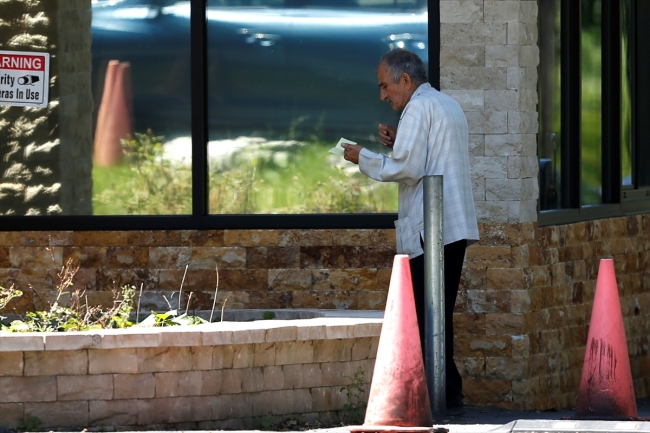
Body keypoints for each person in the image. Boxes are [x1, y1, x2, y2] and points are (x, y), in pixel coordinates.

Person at [341, 48, 479, 412]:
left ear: (406, 80)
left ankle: (435, 396)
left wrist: (364, 157)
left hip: (431, 229)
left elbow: (408, 168)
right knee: (438, 313)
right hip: (453, 224)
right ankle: (447, 393)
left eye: (386, 86)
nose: (383, 95)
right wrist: (396, 142)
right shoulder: (445, 103)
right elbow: (427, 155)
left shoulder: (418, 107)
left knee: (422, 314)